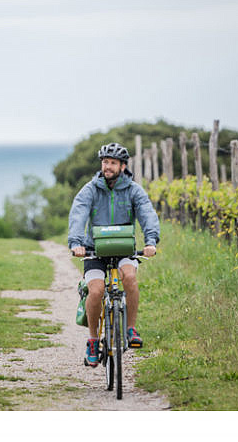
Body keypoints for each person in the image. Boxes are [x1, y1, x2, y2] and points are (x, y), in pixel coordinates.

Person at [68, 142, 160, 368]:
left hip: (124, 250)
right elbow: (78, 214)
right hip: (94, 251)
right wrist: (76, 243)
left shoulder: (134, 190)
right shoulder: (90, 189)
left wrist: (150, 241)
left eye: (112, 163)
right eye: (105, 162)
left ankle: (130, 329)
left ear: (122, 166)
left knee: (129, 278)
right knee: (97, 290)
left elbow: (147, 214)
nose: (107, 166)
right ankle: (92, 341)